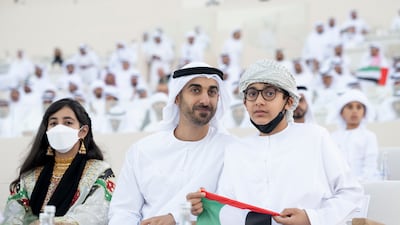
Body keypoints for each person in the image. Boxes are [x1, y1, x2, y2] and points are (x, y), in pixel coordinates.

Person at [187, 59, 364, 225]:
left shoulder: (315, 137)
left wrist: (311, 218)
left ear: (289, 101)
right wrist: (203, 206)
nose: (259, 101)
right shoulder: (236, 150)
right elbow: (227, 206)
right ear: (245, 103)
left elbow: (351, 194)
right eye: (252, 94)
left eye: (269, 93)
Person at [108, 62, 234, 225]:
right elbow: (124, 211)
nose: (205, 100)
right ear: (177, 97)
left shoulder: (231, 150)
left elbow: (233, 211)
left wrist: (177, 218)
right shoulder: (143, 150)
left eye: (212, 92)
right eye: (195, 90)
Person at [1, 98, 116, 225]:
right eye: (54, 123)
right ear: (47, 131)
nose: (59, 128)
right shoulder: (29, 177)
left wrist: (49, 223)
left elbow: (96, 213)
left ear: (83, 131)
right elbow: (12, 216)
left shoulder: (99, 172)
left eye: (68, 122)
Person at [329, 89, 380, 182]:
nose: (354, 111)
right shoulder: (333, 137)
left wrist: (356, 183)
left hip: (365, 185)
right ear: (341, 112)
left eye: (359, 107)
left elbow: (370, 168)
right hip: (338, 185)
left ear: (364, 113)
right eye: (349, 107)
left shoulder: (369, 136)